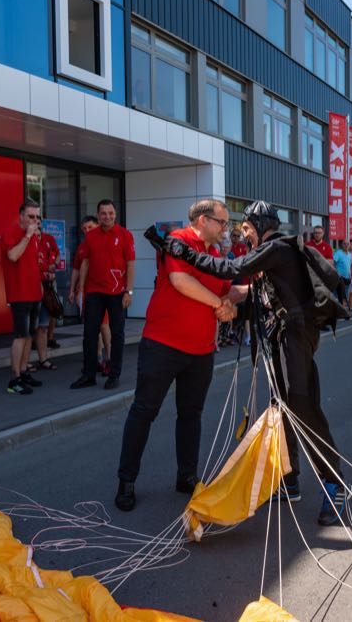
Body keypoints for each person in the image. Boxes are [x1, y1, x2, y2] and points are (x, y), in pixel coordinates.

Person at [150, 201, 348, 527]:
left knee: (302, 406)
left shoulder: (276, 248)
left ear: (258, 224)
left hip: (294, 338)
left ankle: (336, 484)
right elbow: (255, 301)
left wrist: (181, 251)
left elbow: (230, 269)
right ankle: (290, 478)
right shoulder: (269, 257)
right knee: (280, 409)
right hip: (280, 339)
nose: (243, 235)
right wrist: (228, 307)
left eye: (245, 228)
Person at [114, 199, 242, 512]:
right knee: (144, 411)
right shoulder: (179, 242)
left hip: (201, 351)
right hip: (163, 344)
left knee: (191, 415)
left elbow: (228, 290)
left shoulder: (216, 254)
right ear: (202, 219)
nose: (225, 229)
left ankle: (186, 476)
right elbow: (180, 281)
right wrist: (219, 305)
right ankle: (126, 481)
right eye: (221, 222)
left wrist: (237, 299)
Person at [72, 200, 135, 391]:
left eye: (110, 213)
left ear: (115, 214)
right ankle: (88, 375)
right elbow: (85, 263)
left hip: (117, 293)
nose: (107, 216)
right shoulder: (91, 236)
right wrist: (81, 288)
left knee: (117, 335)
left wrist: (129, 291)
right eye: (103, 213)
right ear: (98, 215)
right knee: (89, 335)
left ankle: (114, 375)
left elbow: (131, 264)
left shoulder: (125, 235)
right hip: (94, 292)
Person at [0, 200, 44, 395]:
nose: (34, 220)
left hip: (34, 293)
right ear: (21, 216)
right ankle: (14, 378)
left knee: (30, 336)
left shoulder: (35, 237)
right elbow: (13, 256)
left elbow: (33, 264)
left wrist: (41, 287)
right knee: (20, 336)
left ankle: (24, 371)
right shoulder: (11, 233)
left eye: (37, 217)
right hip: (19, 293)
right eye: (31, 216)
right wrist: (27, 236)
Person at [68, 216, 112, 376]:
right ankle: (97, 359)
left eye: (90, 227)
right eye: (85, 228)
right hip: (86, 293)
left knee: (103, 325)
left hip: (103, 291)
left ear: (98, 226)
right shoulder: (81, 247)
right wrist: (72, 289)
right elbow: (76, 269)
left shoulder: (105, 243)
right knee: (92, 327)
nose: (87, 231)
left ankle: (110, 359)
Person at [32, 228, 61, 370]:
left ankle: (43, 359)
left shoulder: (48, 239)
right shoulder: (27, 243)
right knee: (30, 327)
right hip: (31, 288)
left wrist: (53, 267)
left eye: (38, 221)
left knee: (43, 325)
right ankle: (24, 364)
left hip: (46, 286)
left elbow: (56, 255)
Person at [332, 241, 352, 314]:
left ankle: (342, 312)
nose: (346, 245)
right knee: (337, 296)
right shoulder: (338, 253)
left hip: (348, 279)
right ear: (341, 245)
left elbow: (349, 266)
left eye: (348, 244)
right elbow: (333, 262)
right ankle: (337, 312)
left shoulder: (350, 254)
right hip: (339, 279)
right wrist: (336, 273)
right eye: (344, 244)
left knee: (345, 296)